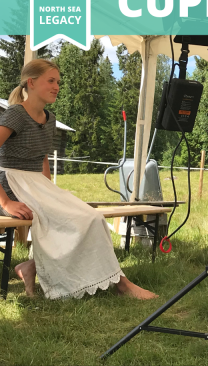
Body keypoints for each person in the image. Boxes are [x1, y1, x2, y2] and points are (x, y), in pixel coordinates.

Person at [3, 59, 158, 300]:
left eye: (58, 82)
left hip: (37, 185)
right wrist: (6, 203)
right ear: (31, 83)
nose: (57, 86)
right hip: (11, 184)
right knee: (76, 219)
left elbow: (42, 158)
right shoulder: (15, 114)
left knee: (91, 217)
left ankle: (31, 267)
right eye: (51, 81)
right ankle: (121, 285)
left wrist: (51, 193)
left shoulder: (49, 118)